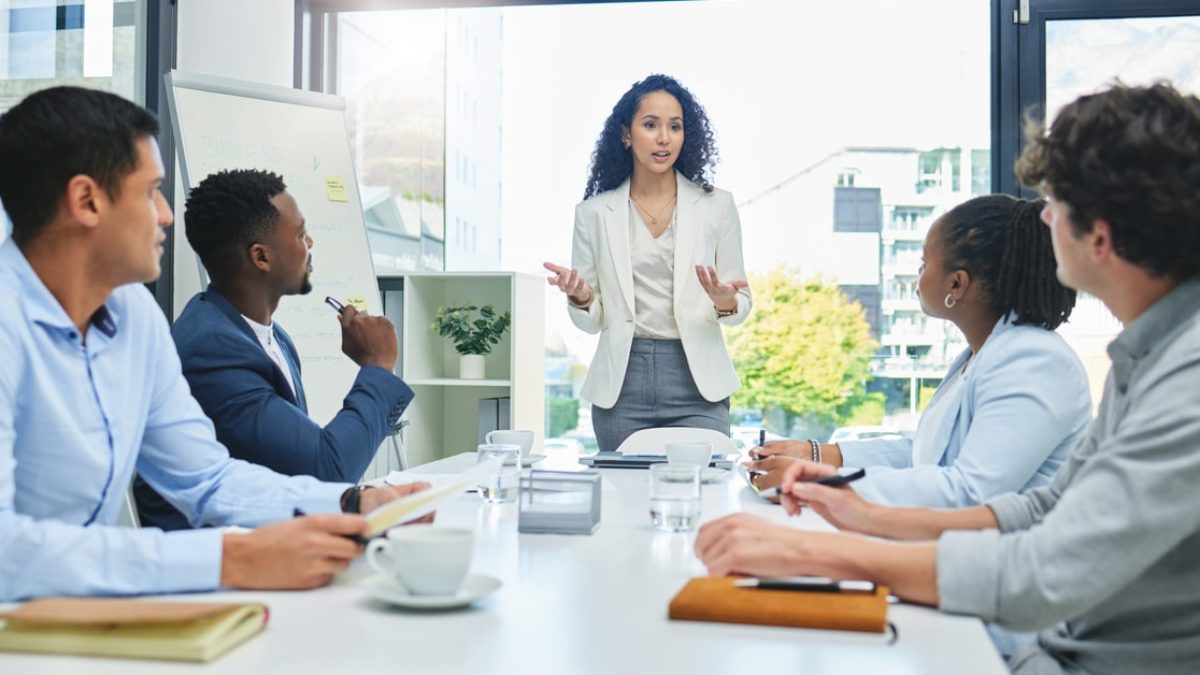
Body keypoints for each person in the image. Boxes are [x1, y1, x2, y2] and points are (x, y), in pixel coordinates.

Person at [696, 82, 1200, 675]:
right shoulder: (1145, 357)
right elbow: (1042, 507)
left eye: (1055, 203)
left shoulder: (1182, 379)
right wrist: (861, 513)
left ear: (1101, 235)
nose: (1043, 216)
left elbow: (1040, 570)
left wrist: (819, 551)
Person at [0, 86, 427, 602]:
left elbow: (206, 479)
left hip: (64, 618)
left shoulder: (135, 317)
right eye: (150, 191)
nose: (164, 215)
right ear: (87, 200)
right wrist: (232, 558)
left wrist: (351, 503)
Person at [749, 195, 1090, 508]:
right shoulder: (985, 353)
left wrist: (820, 485)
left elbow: (969, 491)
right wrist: (820, 455)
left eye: (924, 264)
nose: (918, 276)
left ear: (956, 284)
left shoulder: (1034, 362)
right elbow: (928, 456)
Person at [135, 169, 414, 531]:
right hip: (211, 557)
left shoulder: (274, 337)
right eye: (299, 234)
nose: (310, 241)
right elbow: (327, 470)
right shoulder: (213, 348)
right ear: (260, 257)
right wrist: (377, 367)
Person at [543, 74, 751, 453]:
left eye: (675, 126)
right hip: (623, 387)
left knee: (705, 499)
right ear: (626, 134)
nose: (664, 138)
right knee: (624, 501)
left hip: (697, 386)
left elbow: (740, 306)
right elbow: (591, 322)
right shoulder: (593, 213)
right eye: (651, 125)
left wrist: (725, 300)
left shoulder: (717, 206)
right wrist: (581, 297)